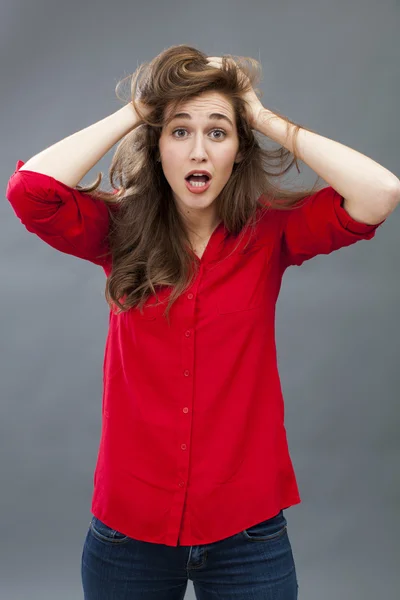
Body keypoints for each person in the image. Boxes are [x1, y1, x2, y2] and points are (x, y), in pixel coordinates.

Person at [6, 44, 399, 599]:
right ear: (157, 145)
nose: (198, 150)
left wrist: (260, 116)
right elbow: (31, 193)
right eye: (178, 131)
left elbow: (380, 192)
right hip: (128, 536)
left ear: (238, 150)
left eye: (218, 132)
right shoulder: (118, 232)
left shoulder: (271, 235)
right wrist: (141, 108)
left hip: (248, 533)